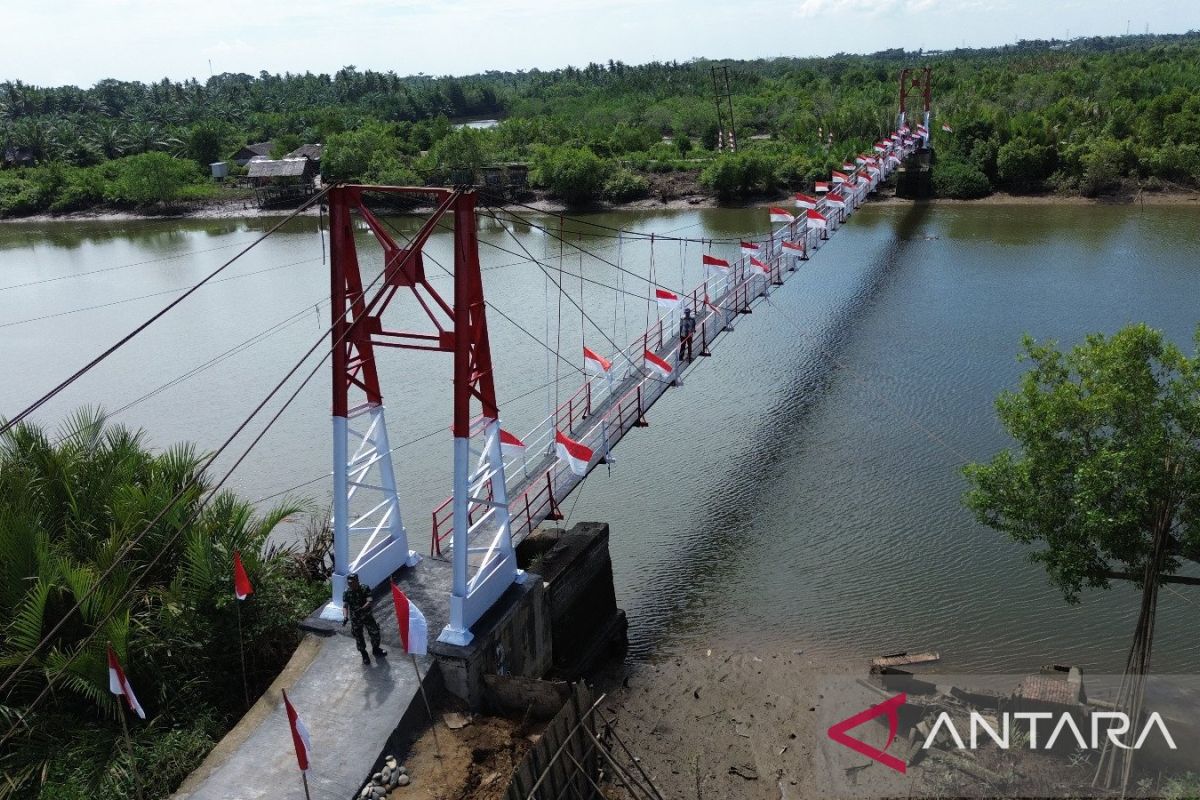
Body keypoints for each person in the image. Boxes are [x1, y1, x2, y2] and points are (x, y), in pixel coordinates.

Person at [342, 573, 387, 665]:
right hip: (355, 619)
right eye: (349, 583)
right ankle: (364, 654)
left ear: (357, 581)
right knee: (358, 636)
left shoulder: (365, 588)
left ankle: (376, 649)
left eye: (352, 583)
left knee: (375, 632)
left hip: (367, 616)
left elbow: (369, 601)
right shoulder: (346, 592)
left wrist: (362, 609)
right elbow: (345, 606)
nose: (350, 585)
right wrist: (345, 617)